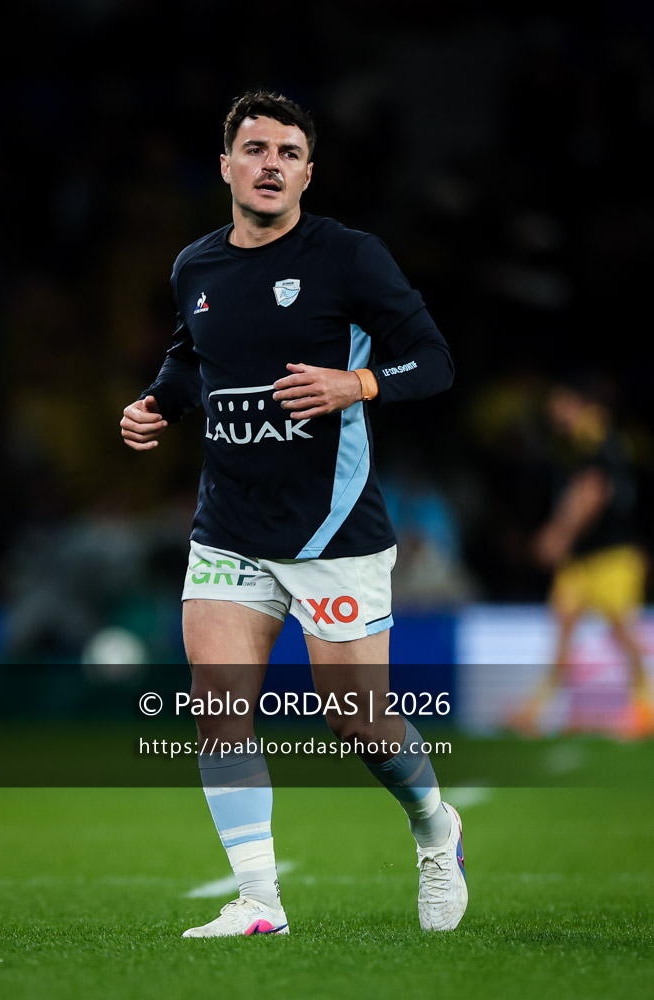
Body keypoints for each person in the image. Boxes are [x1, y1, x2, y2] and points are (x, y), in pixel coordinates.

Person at [120, 90, 465, 937]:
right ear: (229, 164)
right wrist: (155, 404)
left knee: (355, 718)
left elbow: (435, 360)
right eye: (255, 148)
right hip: (229, 527)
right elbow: (187, 359)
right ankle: (258, 902)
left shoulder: (349, 258)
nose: (270, 163)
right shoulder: (194, 266)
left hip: (332, 532)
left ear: (308, 171)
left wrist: (361, 382)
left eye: (288, 152)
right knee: (216, 704)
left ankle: (433, 826)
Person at [511, 378, 653, 737]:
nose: (553, 410)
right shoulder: (584, 440)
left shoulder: (594, 435)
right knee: (564, 627)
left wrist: (559, 533)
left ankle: (645, 705)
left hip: (611, 556)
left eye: (558, 401)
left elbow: (592, 490)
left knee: (621, 629)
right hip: (584, 559)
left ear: (577, 402)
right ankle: (538, 709)